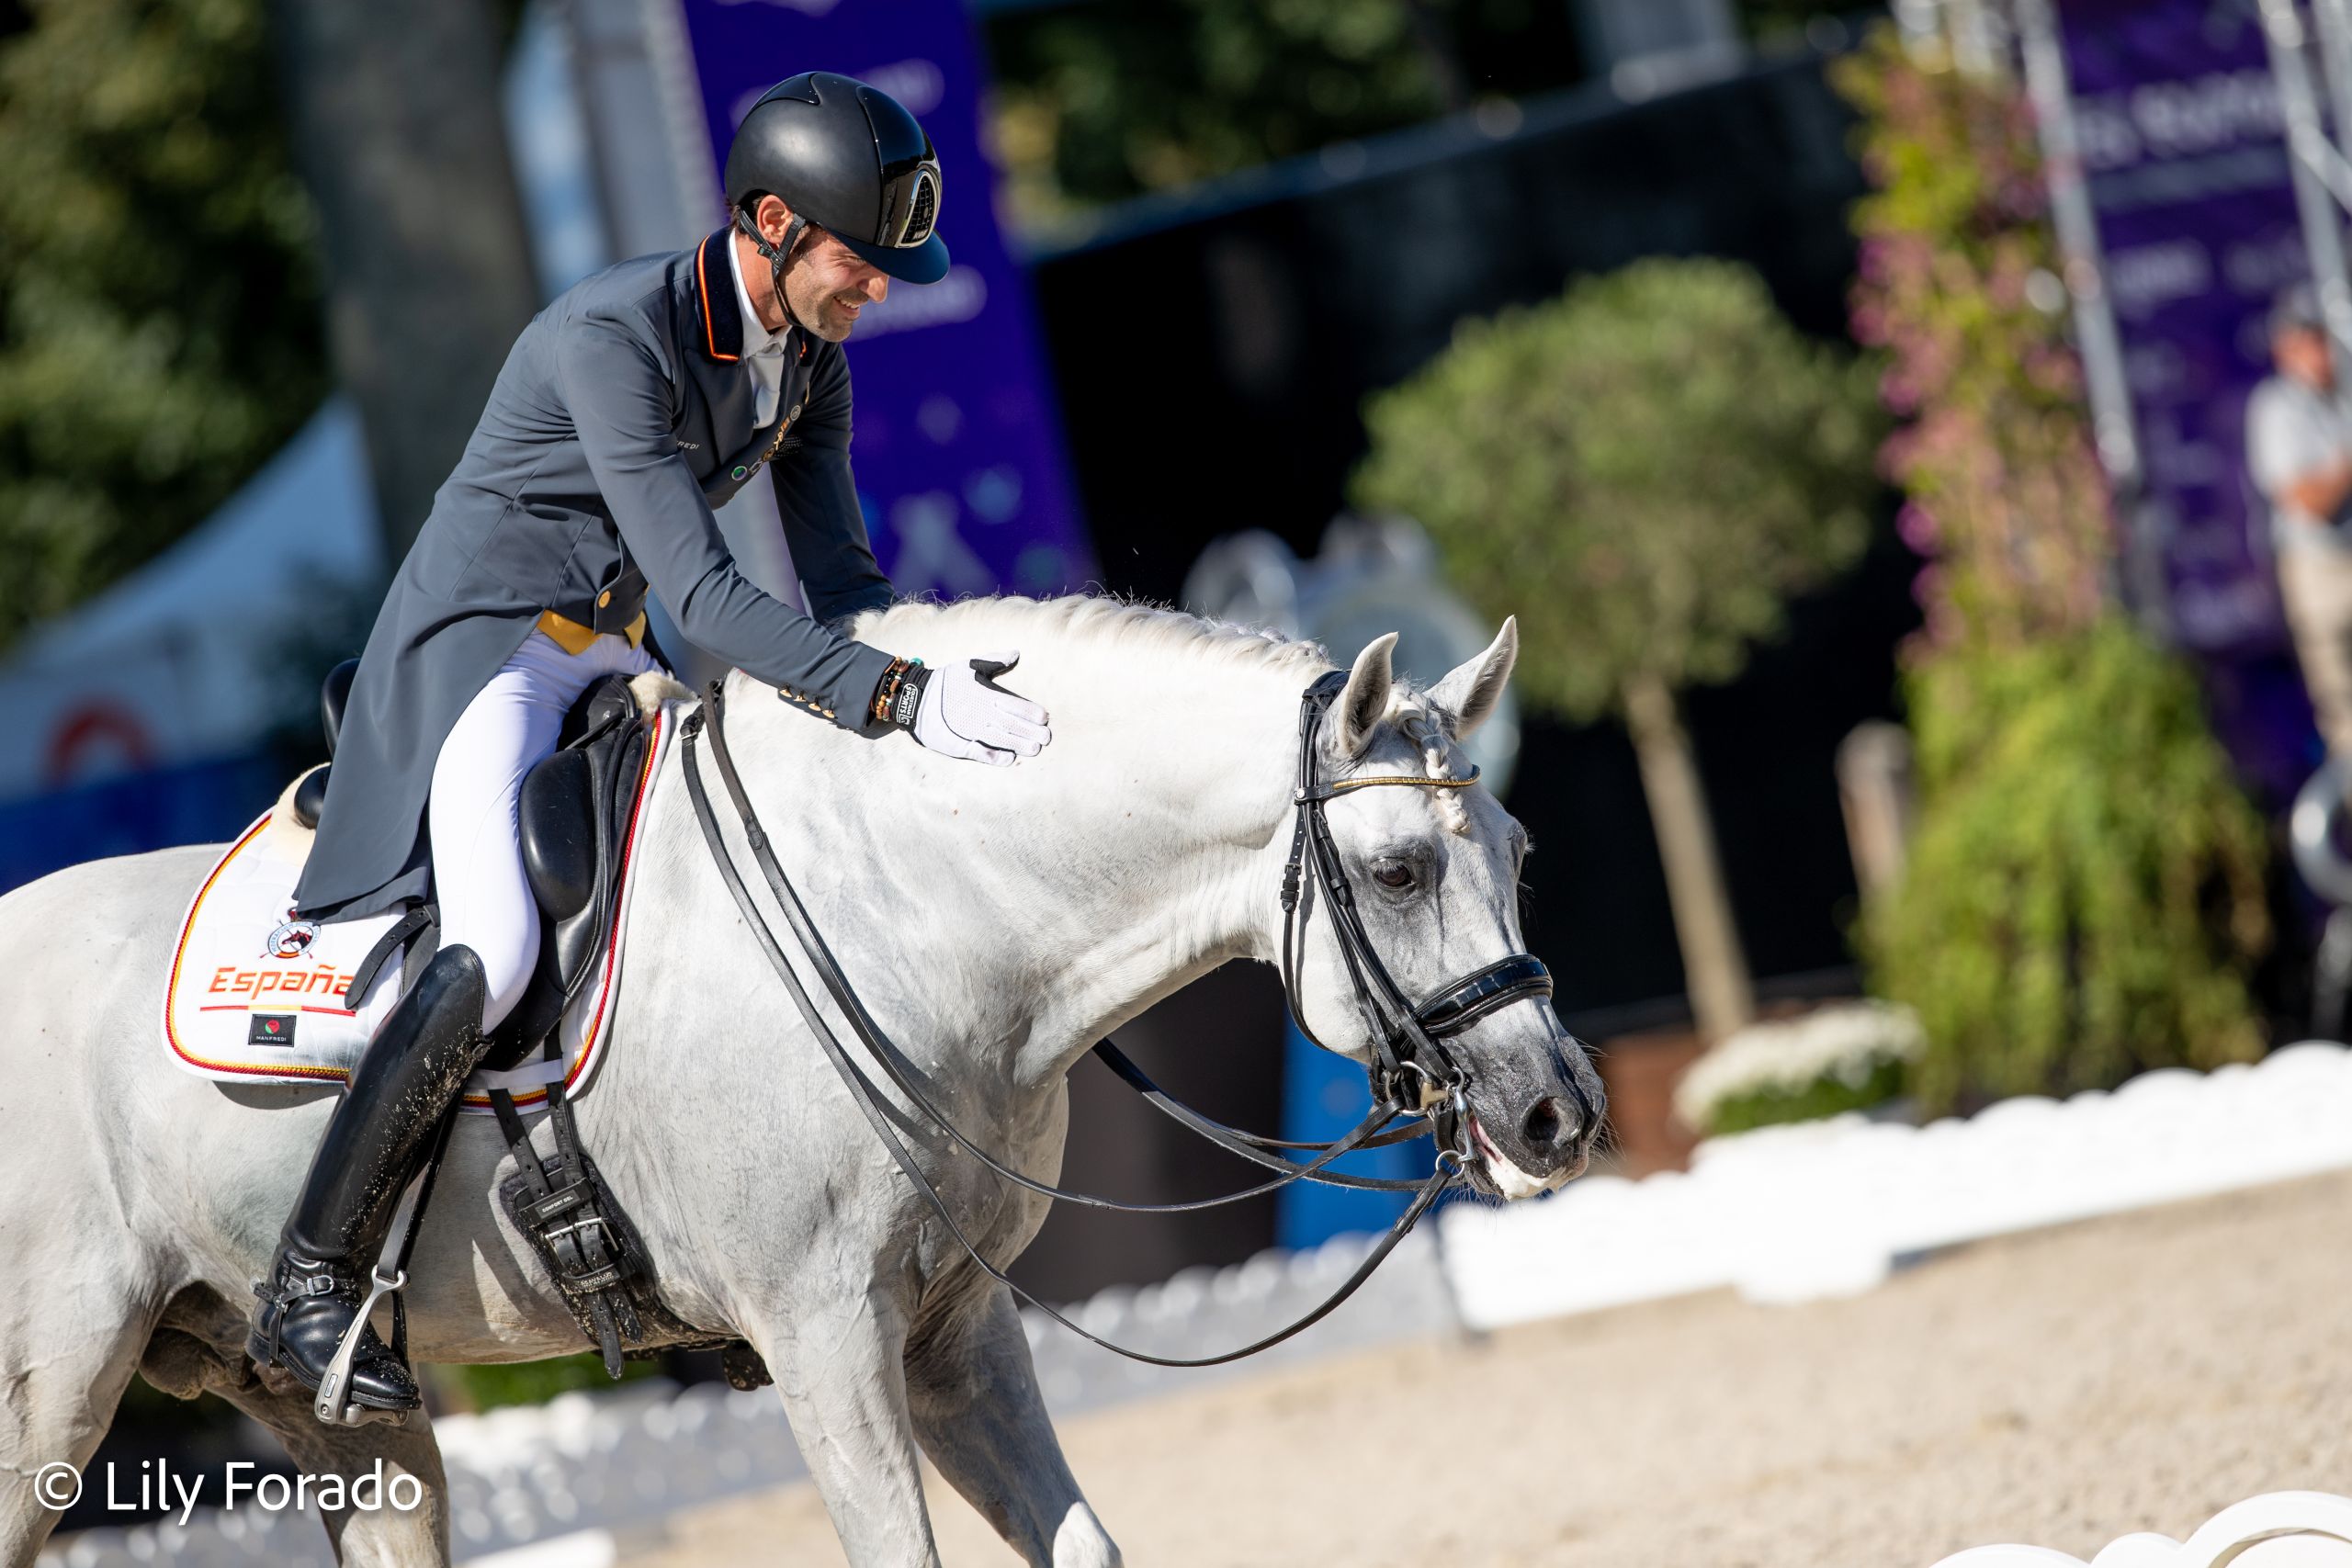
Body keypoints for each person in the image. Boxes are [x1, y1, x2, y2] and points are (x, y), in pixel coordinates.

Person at [249, 72, 1053, 1416]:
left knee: (736, 899)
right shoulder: (612, 336)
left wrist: (930, 662)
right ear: (777, 225)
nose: (880, 290)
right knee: (498, 946)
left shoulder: (808, 360)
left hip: (609, 654)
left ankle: (715, 1255)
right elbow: (714, 601)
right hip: (486, 656)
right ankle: (312, 1282)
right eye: (864, 262)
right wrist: (896, 699)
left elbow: (842, 584)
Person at [2250, 282, 2352, 756]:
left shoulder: (2344, 396)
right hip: (2322, 571)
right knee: (2344, 709)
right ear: (2286, 349)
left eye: (2323, 338)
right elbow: (2308, 500)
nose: (2321, 352)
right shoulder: (2276, 408)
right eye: (2309, 340)